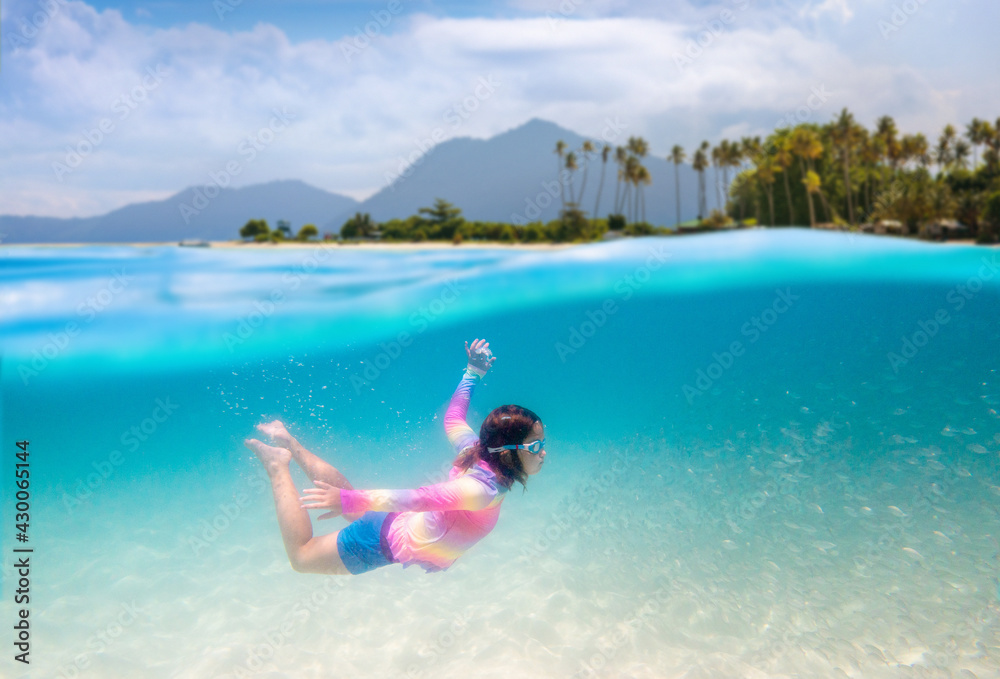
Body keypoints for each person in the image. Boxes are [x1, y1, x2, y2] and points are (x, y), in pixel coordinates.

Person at [244, 338, 546, 575]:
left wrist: (472, 374)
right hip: (382, 542)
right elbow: (419, 498)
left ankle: (289, 441)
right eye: (534, 445)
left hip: (395, 520)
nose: (542, 452)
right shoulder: (482, 491)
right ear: (507, 452)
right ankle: (277, 464)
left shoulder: (476, 453)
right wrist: (349, 501)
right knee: (302, 556)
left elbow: (453, 419)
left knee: (351, 500)